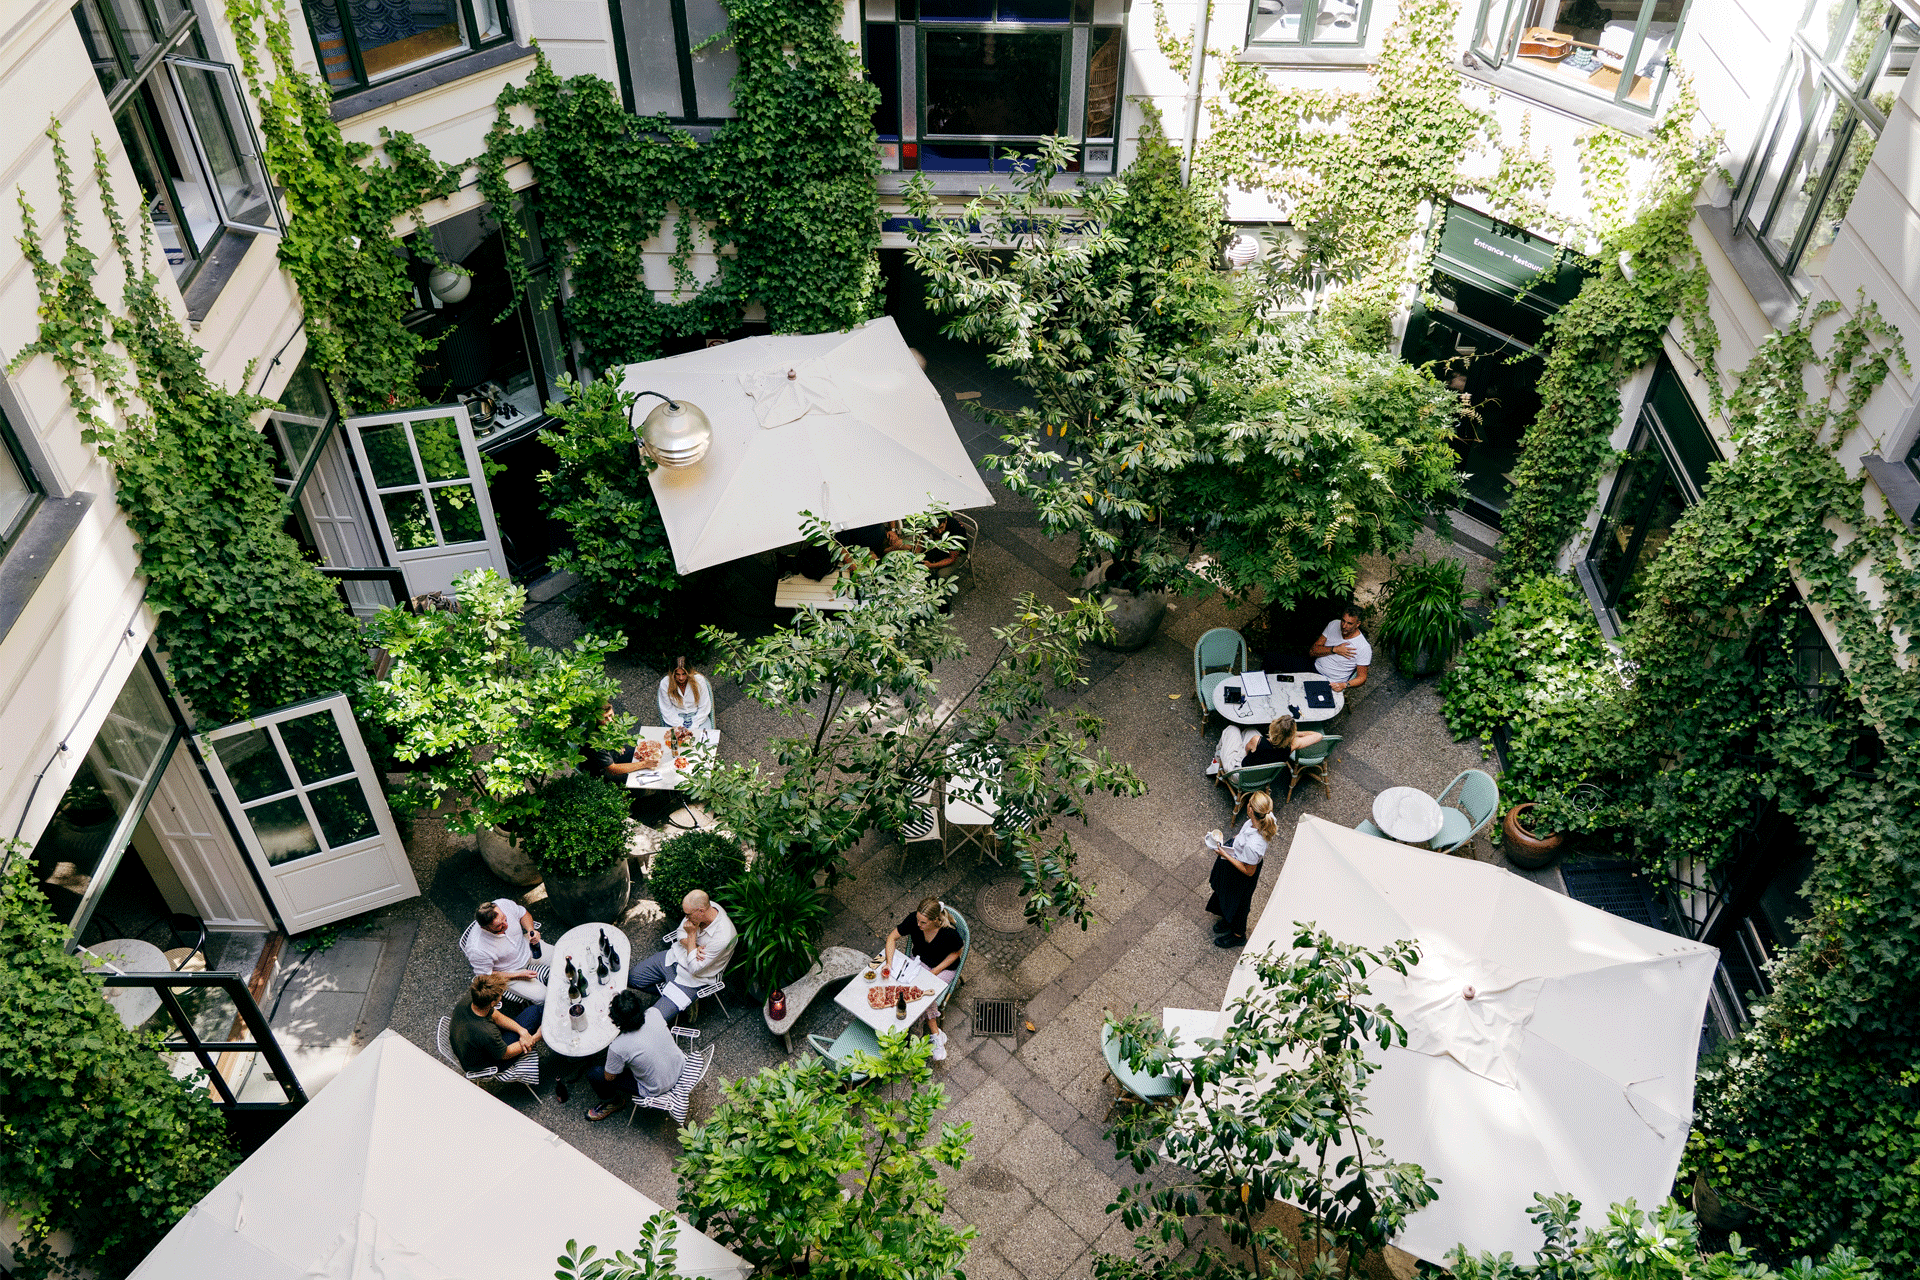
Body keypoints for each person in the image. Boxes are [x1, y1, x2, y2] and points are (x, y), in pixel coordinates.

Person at [625, 890, 736, 1018]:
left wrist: (691, 935)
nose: (686, 918)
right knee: (632, 979)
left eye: (688, 915)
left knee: (653, 1019)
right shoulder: (704, 908)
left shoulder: (723, 937)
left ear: (701, 911)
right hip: (674, 957)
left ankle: (684, 999)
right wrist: (694, 945)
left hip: (693, 979)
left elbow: (694, 968)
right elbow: (680, 932)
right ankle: (670, 992)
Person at [585, 988, 687, 1121]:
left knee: (594, 1073)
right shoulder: (653, 1013)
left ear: (616, 1020)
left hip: (657, 1087)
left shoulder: (618, 1047)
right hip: (679, 1066)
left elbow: (609, 1077)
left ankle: (613, 1102)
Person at [882, 898, 964, 1061]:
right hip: (919, 962)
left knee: (921, 994)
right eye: (918, 920)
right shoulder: (914, 920)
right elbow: (891, 938)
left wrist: (936, 971)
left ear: (935, 920)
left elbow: (957, 953)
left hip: (943, 968)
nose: (918, 925)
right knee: (910, 992)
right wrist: (888, 963)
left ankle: (931, 1035)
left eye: (923, 922)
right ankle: (936, 1034)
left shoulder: (949, 933)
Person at [1205, 790, 1279, 948]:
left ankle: (1238, 935)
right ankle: (1227, 919)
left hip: (1241, 874)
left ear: (1251, 809)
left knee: (1239, 904)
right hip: (1236, 858)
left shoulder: (1254, 845)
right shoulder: (1263, 818)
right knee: (1227, 895)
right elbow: (1244, 834)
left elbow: (1249, 871)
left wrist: (1224, 853)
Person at [449, 972, 543, 1073]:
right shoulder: (487, 1032)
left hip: (472, 1045)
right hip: (487, 1062)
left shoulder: (472, 999)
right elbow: (506, 1054)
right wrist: (536, 1037)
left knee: (533, 1013)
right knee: (534, 1013)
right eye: (500, 996)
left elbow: (496, 1016)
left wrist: (522, 1031)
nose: (501, 997)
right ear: (493, 1003)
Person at [463, 898, 545, 1004]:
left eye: (505, 919)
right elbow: (486, 975)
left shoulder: (503, 904)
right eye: (499, 926)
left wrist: (531, 930)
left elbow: (523, 913)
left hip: (527, 947)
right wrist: (519, 975)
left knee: (563, 956)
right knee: (543, 997)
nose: (506, 925)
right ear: (484, 927)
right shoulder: (476, 949)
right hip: (510, 972)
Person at [1207, 713, 1324, 778]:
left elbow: (1247, 751)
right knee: (1250, 730)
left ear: (1273, 729)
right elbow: (1318, 736)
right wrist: (1296, 734)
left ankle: (1217, 761)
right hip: (1263, 777)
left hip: (1240, 775)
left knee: (1231, 729)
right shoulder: (1293, 745)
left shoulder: (1257, 740)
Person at [1308, 605, 1372, 694]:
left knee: (1309, 700)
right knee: (1282, 660)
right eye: (1343, 621)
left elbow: (1362, 678)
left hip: (1331, 681)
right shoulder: (1334, 624)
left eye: (1349, 623)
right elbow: (1313, 651)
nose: (1344, 626)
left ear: (1357, 624)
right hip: (1314, 667)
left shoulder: (1364, 647)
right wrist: (1334, 649)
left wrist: (1344, 685)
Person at [656, 656, 714, 734]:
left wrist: (694, 725)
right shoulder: (665, 684)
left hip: (698, 717)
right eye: (677, 674)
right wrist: (679, 725)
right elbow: (667, 709)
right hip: (675, 718)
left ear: (689, 672)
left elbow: (704, 706)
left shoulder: (699, 681)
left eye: (684, 674)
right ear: (672, 674)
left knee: (704, 742)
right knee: (673, 744)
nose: (681, 678)